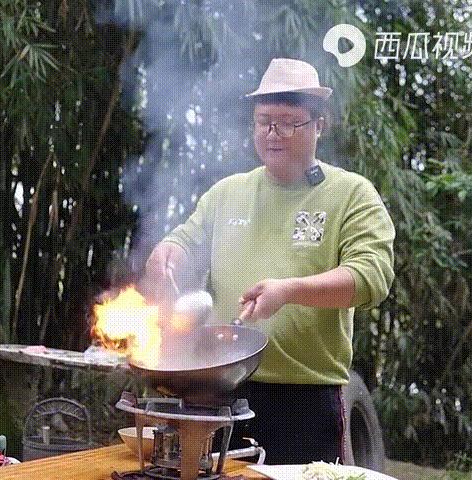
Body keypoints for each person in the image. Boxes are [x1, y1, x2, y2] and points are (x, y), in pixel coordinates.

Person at [144, 58, 395, 464]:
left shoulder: (352, 194)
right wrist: (167, 254)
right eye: (263, 121)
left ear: (319, 125)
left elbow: (370, 278)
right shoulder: (227, 193)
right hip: (218, 392)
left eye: (287, 122)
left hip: (305, 399)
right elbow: (184, 241)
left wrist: (290, 290)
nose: (273, 133)